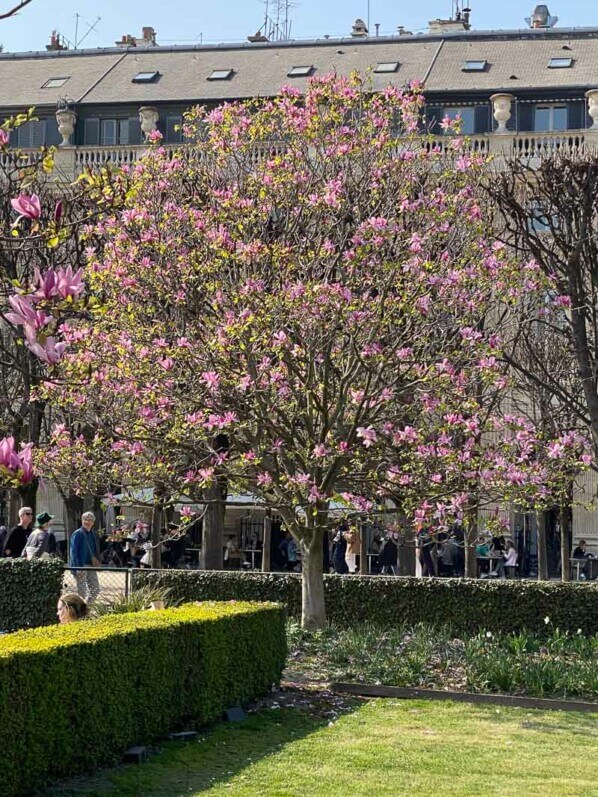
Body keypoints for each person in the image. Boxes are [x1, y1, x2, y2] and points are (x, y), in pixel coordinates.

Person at [69, 511, 101, 603]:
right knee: (81, 592)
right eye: (85, 519)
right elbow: (73, 552)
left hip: (90, 565)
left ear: (93, 523)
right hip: (81, 566)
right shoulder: (77, 533)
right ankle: (80, 612)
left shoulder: (93, 534)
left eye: (90, 520)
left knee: (95, 589)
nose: (87, 522)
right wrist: (77, 568)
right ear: (82, 521)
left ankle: (86, 607)